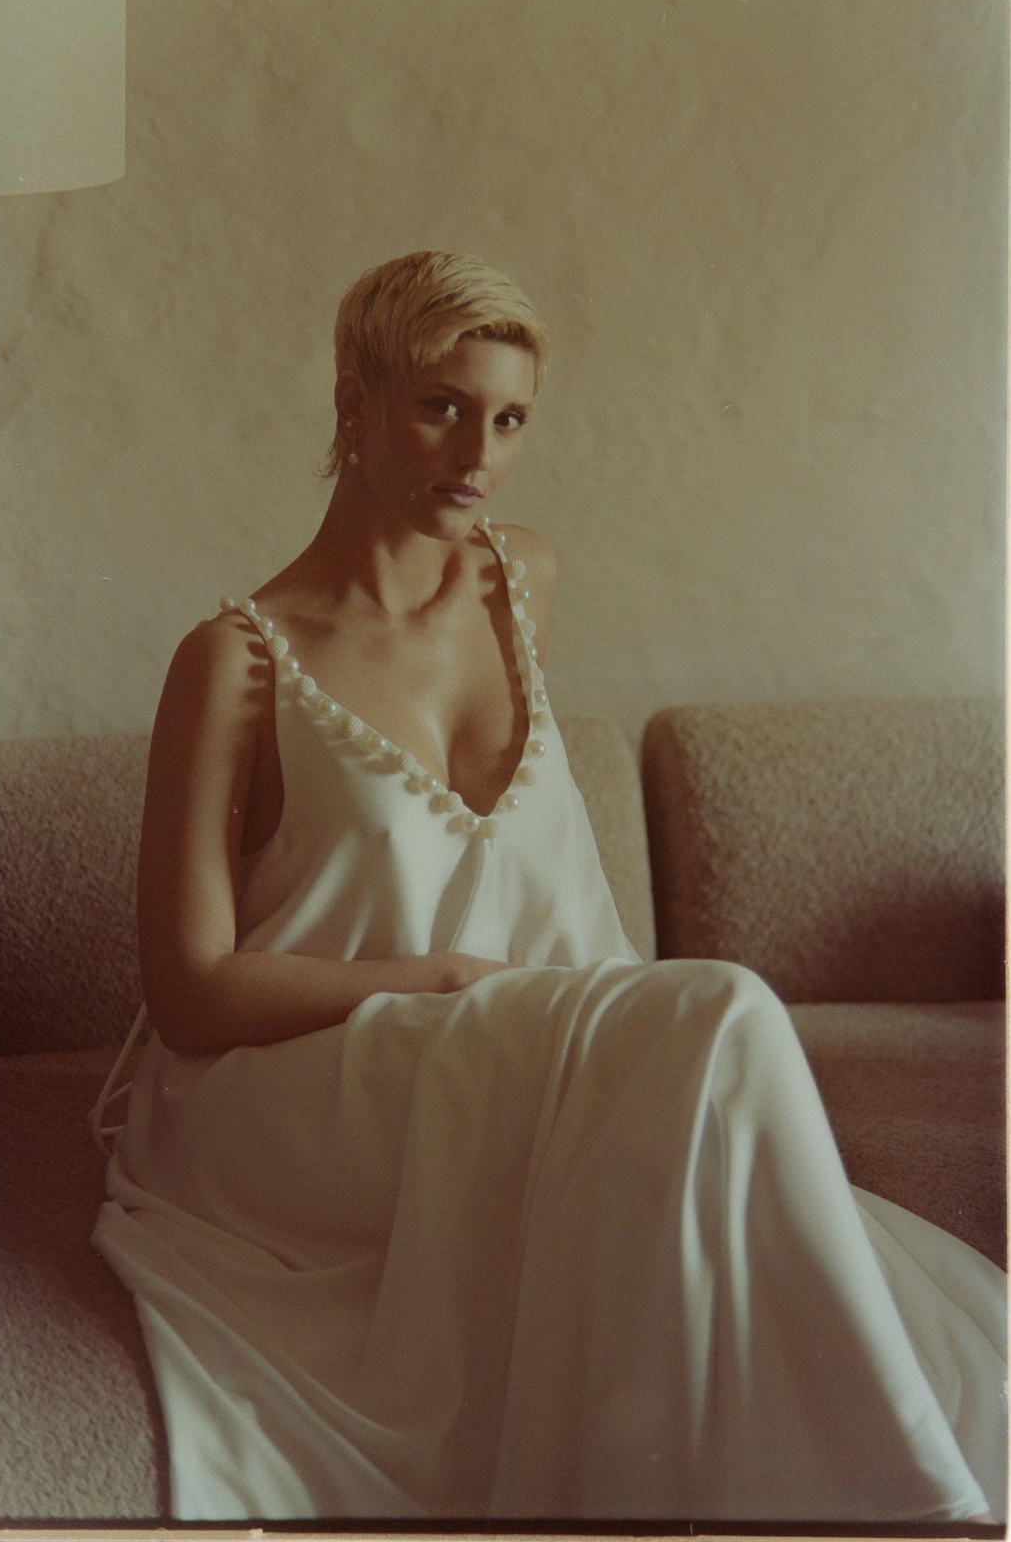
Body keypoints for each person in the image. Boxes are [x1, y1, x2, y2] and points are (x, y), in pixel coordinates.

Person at [93, 250, 1005, 1524]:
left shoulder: (523, 580)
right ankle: (913, 1507)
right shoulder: (234, 660)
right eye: (439, 405)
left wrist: (511, 999)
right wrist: (438, 978)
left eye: (508, 417)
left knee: (702, 1048)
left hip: (528, 1047)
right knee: (725, 1015)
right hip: (310, 1093)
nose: (476, 451)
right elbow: (188, 994)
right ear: (350, 403)